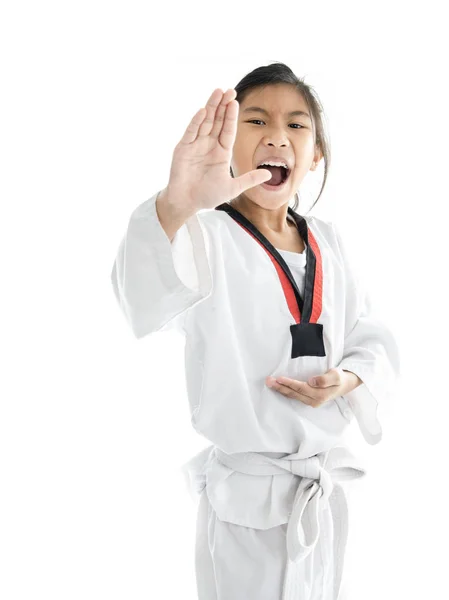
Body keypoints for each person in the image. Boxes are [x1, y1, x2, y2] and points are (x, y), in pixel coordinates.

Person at [110, 62, 400, 600]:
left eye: (296, 125)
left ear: (315, 155)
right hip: (247, 506)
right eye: (256, 121)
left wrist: (348, 379)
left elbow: (370, 335)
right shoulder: (206, 235)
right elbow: (141, 300)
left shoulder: (329, 244)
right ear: (230, 143)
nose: (276, 136)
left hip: (319, 496)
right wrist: (177, 202)